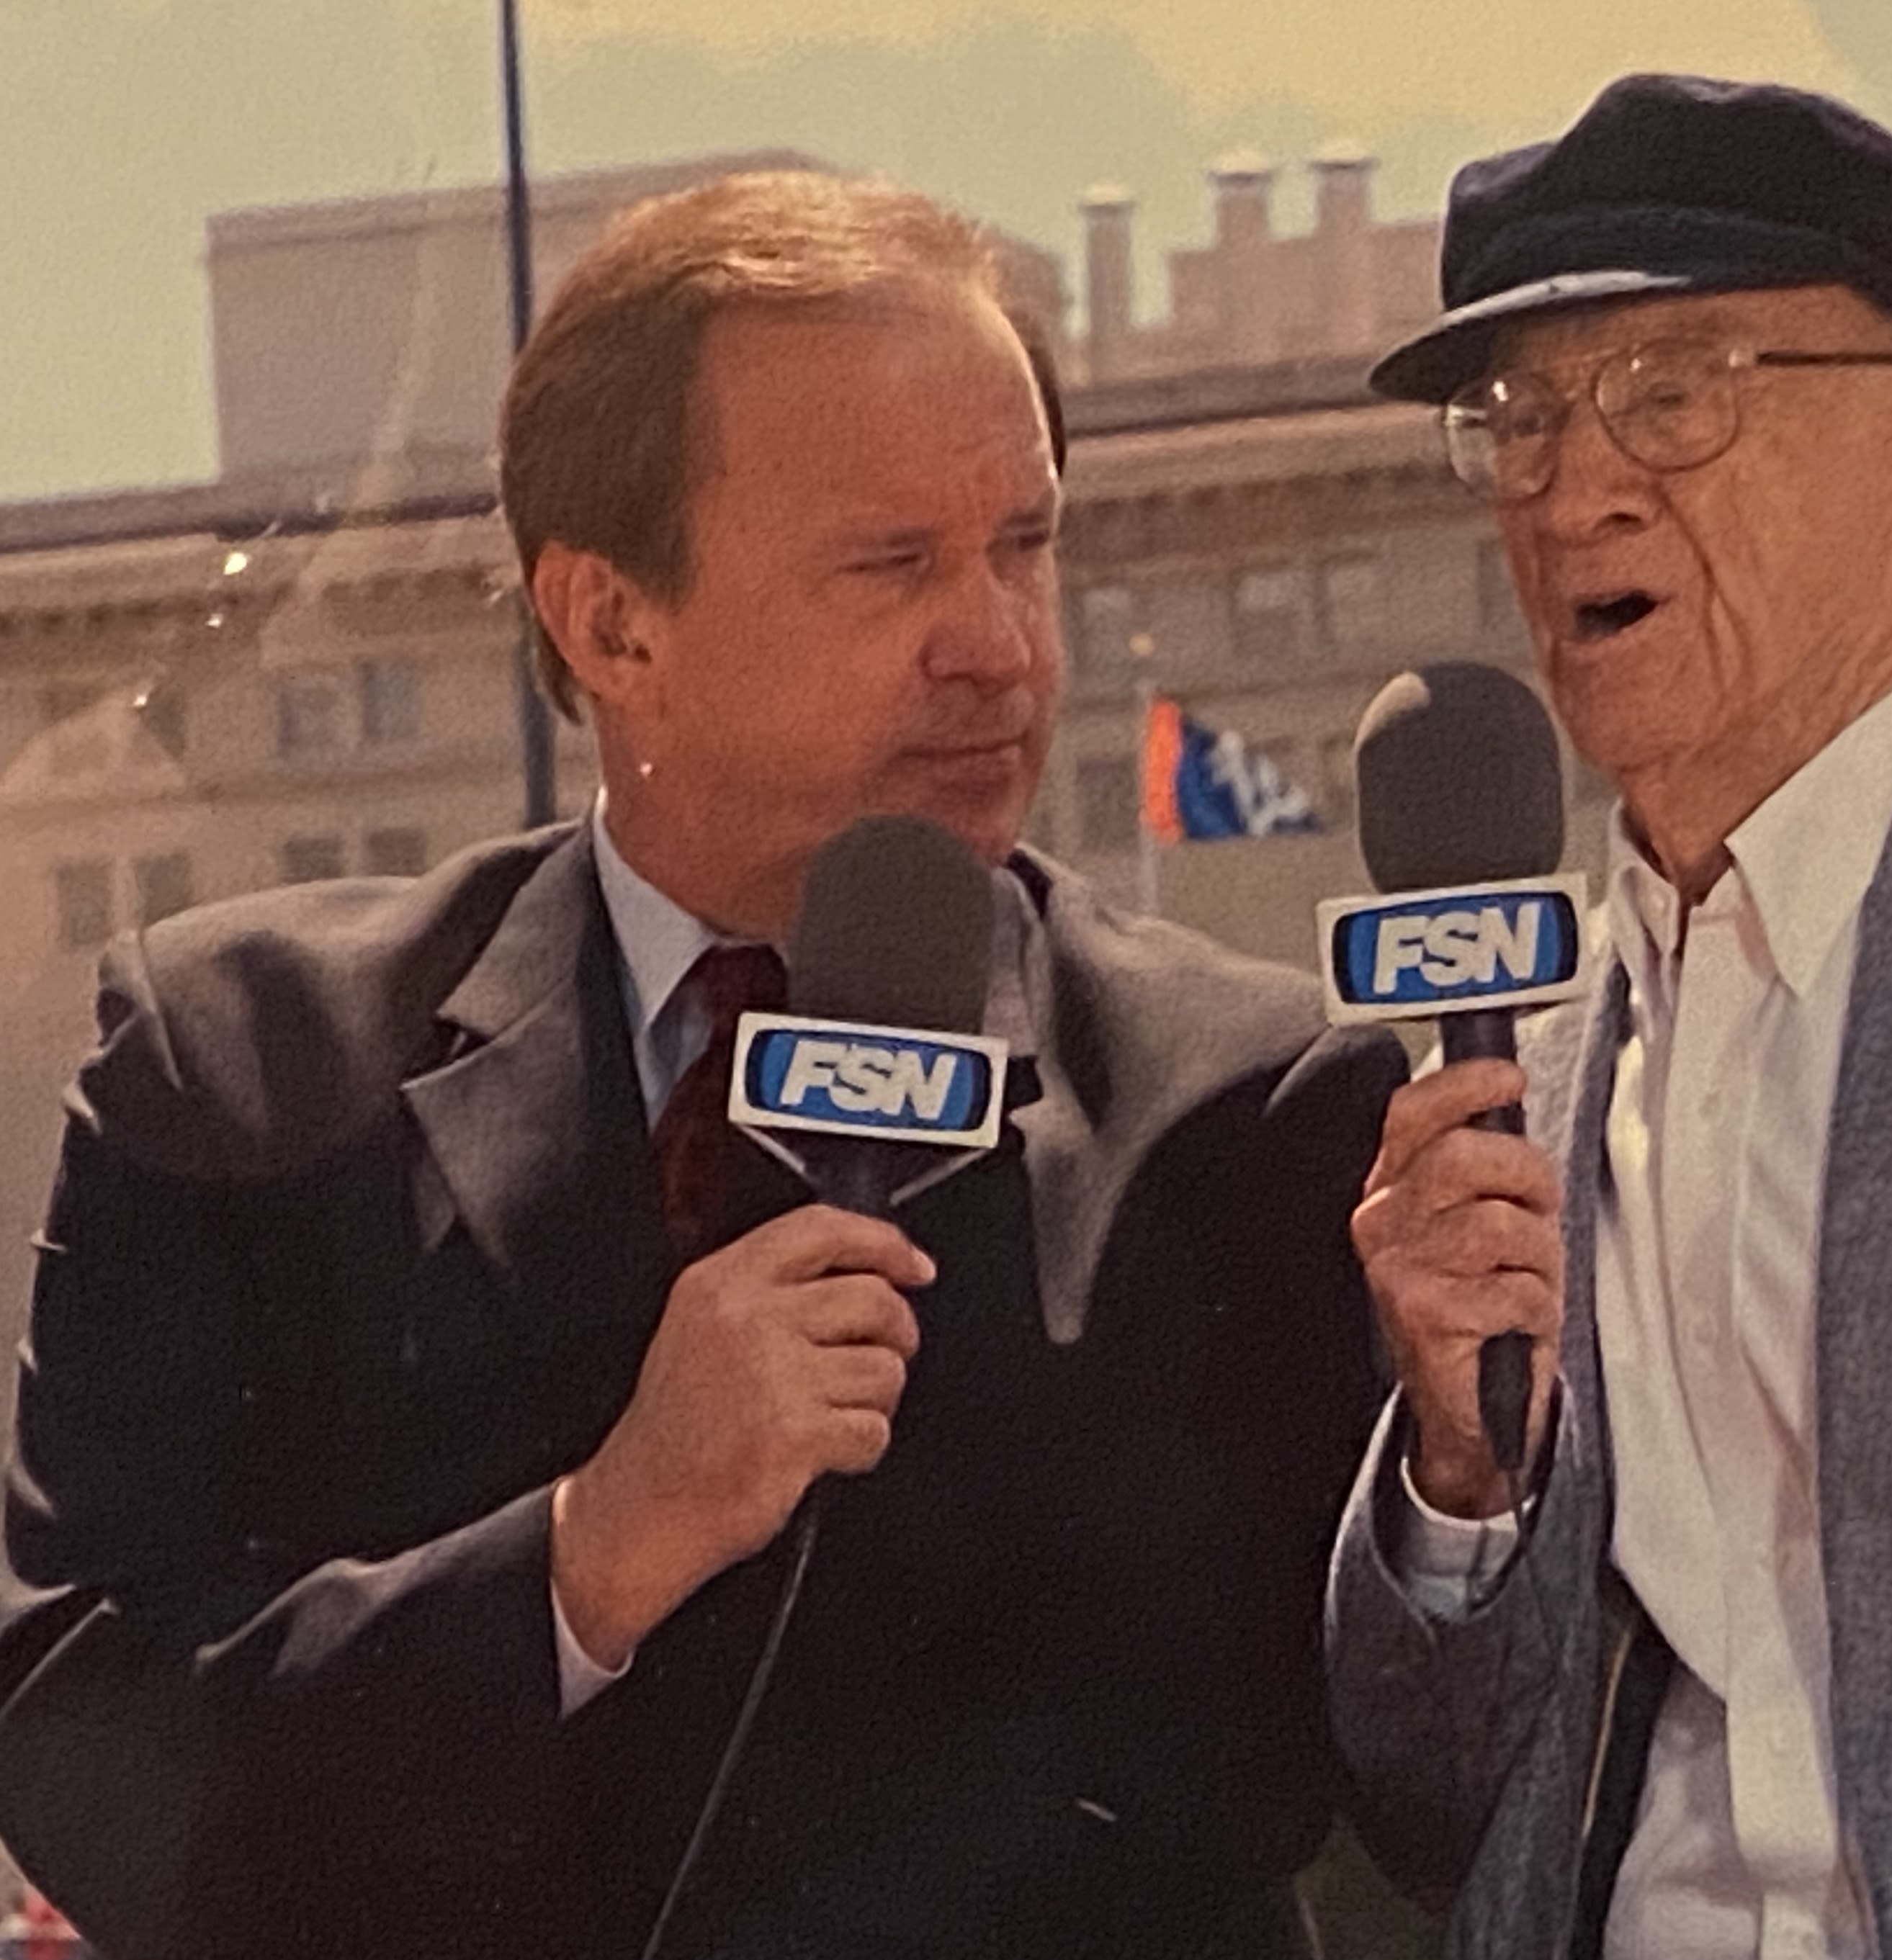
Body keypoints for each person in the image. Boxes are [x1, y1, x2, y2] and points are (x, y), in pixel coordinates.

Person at [0, 171, 1400, 1960]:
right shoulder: (240, 1059)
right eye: (891, 563)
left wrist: (1463, 1481)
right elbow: (90, 1758)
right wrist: (593, 1551)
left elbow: (1338, 1778)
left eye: (1024, 545)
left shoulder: (1244, 1098)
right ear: (609, 625)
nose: (998, 642)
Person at [1327, 74, 1892, 1960]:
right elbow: (1429, 1811)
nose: (1571, 485)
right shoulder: (1537, 1050)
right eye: (1524, 416)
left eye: (1674, 390)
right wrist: (1459, 1488)